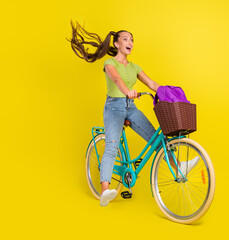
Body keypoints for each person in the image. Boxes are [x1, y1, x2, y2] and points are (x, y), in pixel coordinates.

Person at [67, 21, 199, 207]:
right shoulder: (109, 63)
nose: (130, 42)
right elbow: (116, 78)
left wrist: (169, 93)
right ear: (117, 44)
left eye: (132, 40)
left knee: (156, 138)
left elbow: (152, 84)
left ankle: (178, 167)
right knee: (112, 147)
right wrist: (126, 91)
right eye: (126, 39)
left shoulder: (135, 67)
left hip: (130, 107)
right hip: (114, 107)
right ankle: (105, 189)